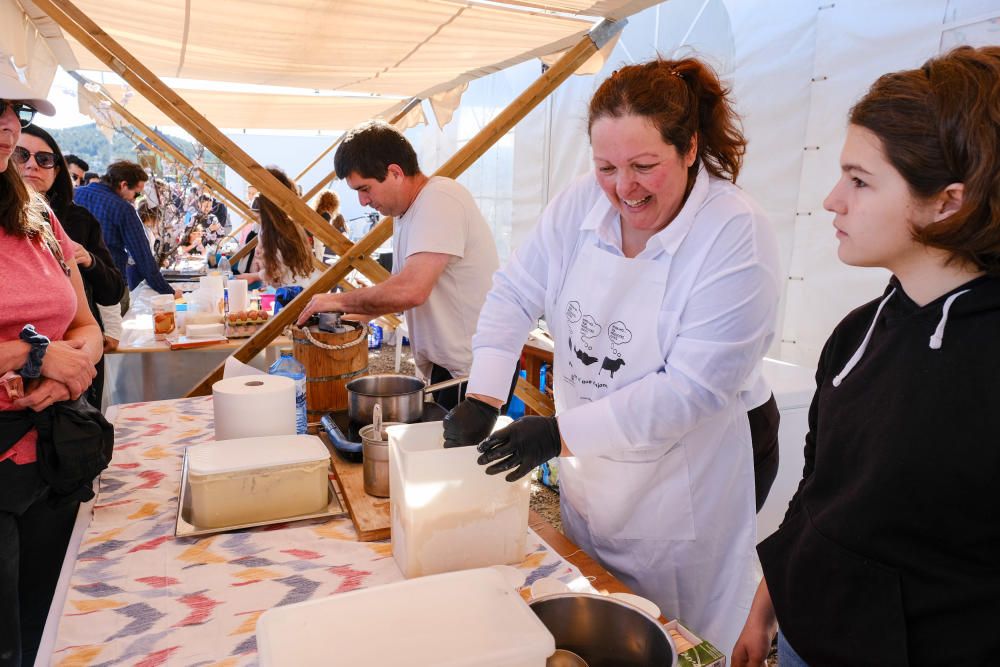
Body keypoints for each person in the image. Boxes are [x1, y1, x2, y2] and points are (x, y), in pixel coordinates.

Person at [442, 58, 780, 656]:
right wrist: (485, 393)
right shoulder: (580, 206)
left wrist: (558, 433)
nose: (625, 187)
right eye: (606, 168)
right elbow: (517, 291)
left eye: (645, 166)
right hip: (592, 477)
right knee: (596, 620)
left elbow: (692, 390)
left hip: (679, 494)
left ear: (691, 147)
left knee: (673, 641)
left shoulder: (734, 232)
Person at [733, 45, 1000, 667]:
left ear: (947, 202)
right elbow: (821, 488)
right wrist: (771, 598)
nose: (832, 200)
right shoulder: (858, 332)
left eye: (859, 180)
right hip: (808, 631)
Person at [0, 77, 104, 666]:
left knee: (53, 623)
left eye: (13, 111)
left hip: (50, 454)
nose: (8, 124)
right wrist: (31, 355)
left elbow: (84, 324)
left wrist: (73, 367)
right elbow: (48, 345)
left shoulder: (35, 216)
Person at [296, 121, 501, 409]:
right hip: (452, 367)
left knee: (459, 454)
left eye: (365, 189)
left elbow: (410, 291)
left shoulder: (440, 199)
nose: (363, 201)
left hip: (475, 372)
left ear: (395, 172)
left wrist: (336, 301)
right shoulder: (404, 214)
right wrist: (342, 322)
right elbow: (396, 295)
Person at [14, 124, 125, 409]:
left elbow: (111, 292)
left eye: (44, 159)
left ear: (57, 170)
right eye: (21, 154)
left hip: (74, 383)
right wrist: (37, 355)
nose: (31, 165)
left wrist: (88, 260)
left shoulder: (70, 221)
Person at [74, 160, 179, 299]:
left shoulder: (75, 194)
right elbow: (142, 256)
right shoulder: (123, 209)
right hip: (109, 284)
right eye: (136, 194)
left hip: (75, 282)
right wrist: (168, 291)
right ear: (123, 185)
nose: (135, 199)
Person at [238, 167, 317, 287]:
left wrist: (254, 276)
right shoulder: (284, 226)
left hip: (291, 293)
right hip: (291, 289)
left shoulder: (279, 230)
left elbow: (277, 269)